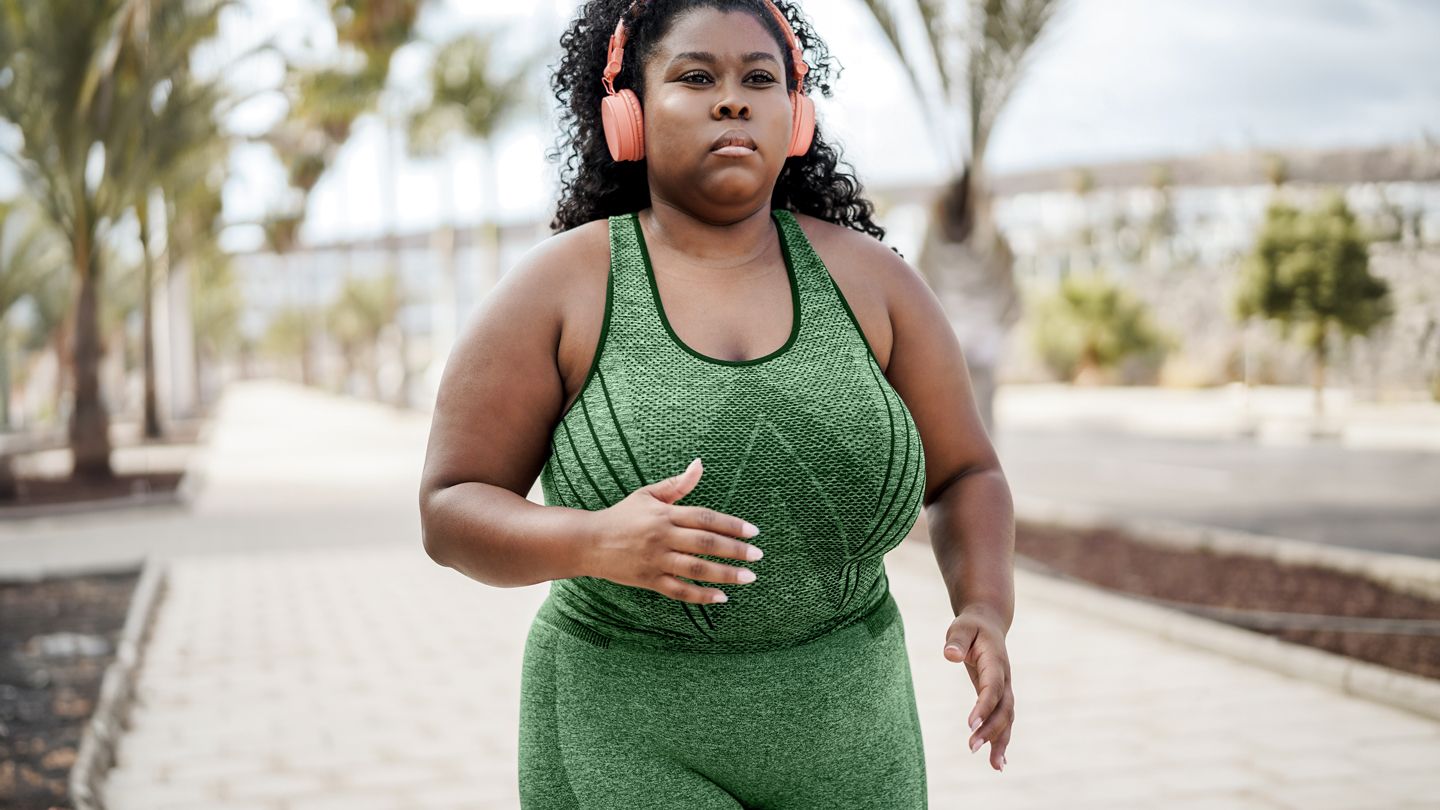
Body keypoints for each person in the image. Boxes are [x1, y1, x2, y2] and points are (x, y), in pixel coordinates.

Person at [417, 1, 1017, 806]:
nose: (731, 99)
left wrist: (984, 606)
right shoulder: (560, 288)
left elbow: (967, 471)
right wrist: (593, 541)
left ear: (795, 115)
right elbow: (450, 508)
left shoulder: (876, 284)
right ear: (627, 113)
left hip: (853, 733)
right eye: (695, 76)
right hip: (627, 733)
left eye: (758, 79)